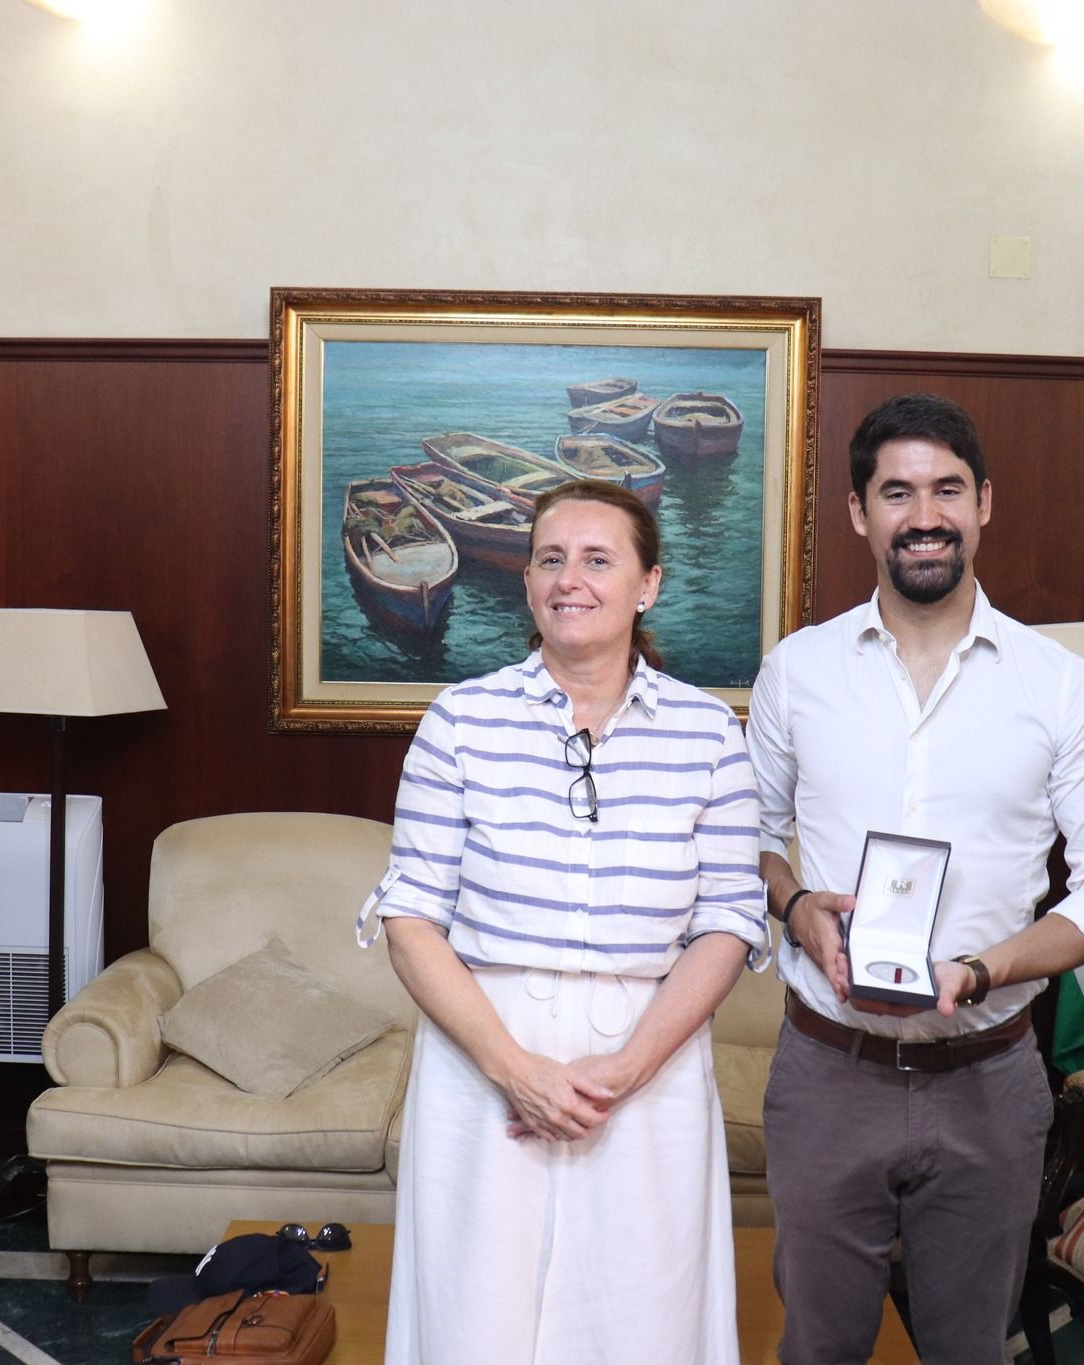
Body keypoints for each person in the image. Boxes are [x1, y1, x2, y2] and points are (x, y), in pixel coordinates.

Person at [747, 392, 1084, 1364]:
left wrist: (980, 970)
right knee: (818, 1348)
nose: (923, 515)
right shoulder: (796, 672)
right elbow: (744, 841)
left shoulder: (1060, 686)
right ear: (859, 512)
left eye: (946, 490)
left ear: (983, 504)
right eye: (896, 492)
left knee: (969, 1349)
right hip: (827, 1071)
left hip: (988, 1078)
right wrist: (796, 908)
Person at [359, 479, 767, 1364]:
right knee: (475, 1322)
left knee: (642, 1323)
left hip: (649, 1058)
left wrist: (626, 1068)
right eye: (550, 558)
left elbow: (729, 922)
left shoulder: (709, 733)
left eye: (597, 559)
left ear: (648, 584)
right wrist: (514, 1070)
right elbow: (410, 915)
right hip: (485, 1053)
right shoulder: (459, 721)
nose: (568, 579)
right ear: (527, 581)